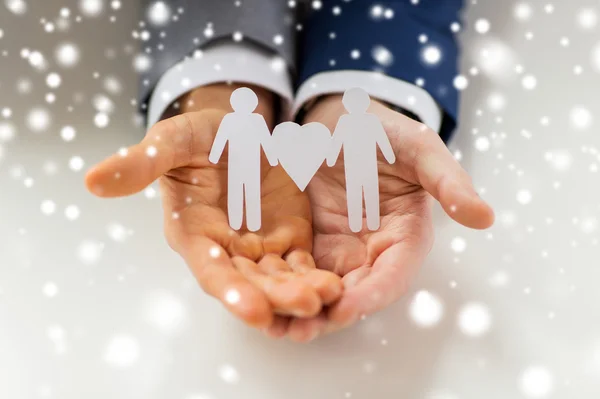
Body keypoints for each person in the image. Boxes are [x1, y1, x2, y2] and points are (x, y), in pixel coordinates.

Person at [85, 0, 495, 342]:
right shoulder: (234, 125)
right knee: (248, 198)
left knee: (358, 197)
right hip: (243, 169)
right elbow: (248, 144)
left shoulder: (359, 124)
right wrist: (218, 86)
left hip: (344, 166)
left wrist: (371, 87)